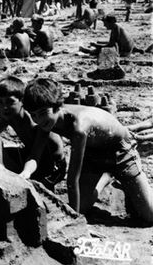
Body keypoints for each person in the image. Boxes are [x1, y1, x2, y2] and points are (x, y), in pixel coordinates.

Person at [23, 78, 153, 224]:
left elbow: (72, 180)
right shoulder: (46, 121)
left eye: (42, 113)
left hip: (120, 151)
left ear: (57, 106)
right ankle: (107, 176)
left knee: (149, 216)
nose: (38, 120)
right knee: (82, 206)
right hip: (92, 152)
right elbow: (35, 155)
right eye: (33, 115)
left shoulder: (78, 126)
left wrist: (73, 221)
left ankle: (123, 174)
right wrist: (25, 173)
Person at [0, 76, 66, 190]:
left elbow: (35, 155)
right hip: (31, 155)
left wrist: (25, 173)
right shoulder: (8, 116)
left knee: (38, 192)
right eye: (0, 103)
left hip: (53, 164)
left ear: (22, 101)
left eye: (10, 102)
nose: (4, 107)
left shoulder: (37, 121)